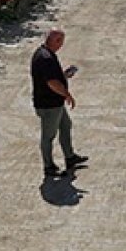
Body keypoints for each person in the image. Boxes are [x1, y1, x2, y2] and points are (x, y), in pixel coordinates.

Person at [31, 29, 88, 177]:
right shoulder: (46, 58)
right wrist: (67, 94)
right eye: (60, 41)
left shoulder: (44, 54)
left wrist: (64, 76)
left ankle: (70, 157)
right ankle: (49, 167)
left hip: (54, 103)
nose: (61, 45)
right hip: (49, 104)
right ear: (55, 41)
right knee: (48, 136)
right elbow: (51, 82)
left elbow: (51, 77)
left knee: (65, 126)